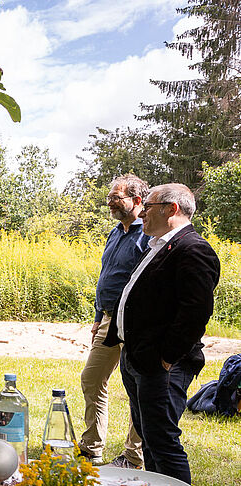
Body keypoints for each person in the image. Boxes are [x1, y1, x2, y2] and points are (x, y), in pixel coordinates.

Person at [104, 183, 220, 483]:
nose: (142, 213)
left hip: (163, 363)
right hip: (138, 357)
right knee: (149, 434)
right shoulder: (159, 245)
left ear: (172, 209)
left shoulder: (193, 249)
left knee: (162, 439)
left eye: (149, 206)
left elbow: (195, 312)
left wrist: (166, 358)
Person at [78, 175, 149, 469]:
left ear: (137, 200)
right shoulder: (115, 233)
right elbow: (107, 275)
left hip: (137, 323)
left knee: (139, 387)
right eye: (109, 197)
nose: (110, 202)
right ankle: (92, 447)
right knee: (92, 378)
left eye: (116, 197)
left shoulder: (148, 234)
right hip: (108, 320)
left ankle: (133, 457)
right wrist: (98, 316)